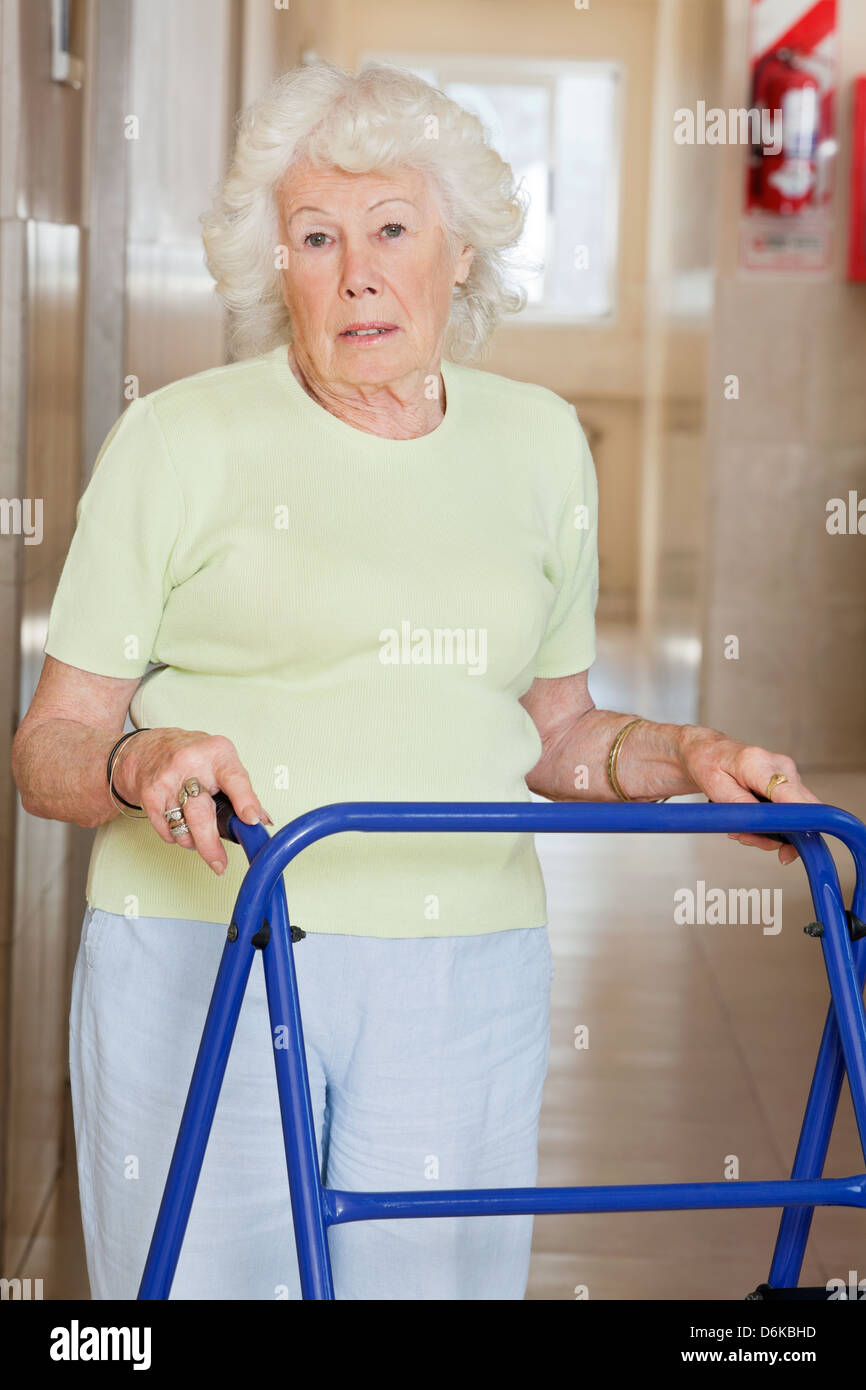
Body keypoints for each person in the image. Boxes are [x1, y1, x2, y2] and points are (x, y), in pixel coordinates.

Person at [11, 59, 819, 1301]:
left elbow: (556, 730)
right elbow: (49, 745)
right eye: (316, 236)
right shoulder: (177, 439)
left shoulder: (539, 441)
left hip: (463, 961)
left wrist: (682, 755)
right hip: (206, 941)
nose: (358, 272)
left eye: (392, 229)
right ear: (273, 265)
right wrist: (139, 761)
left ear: (461, 254)